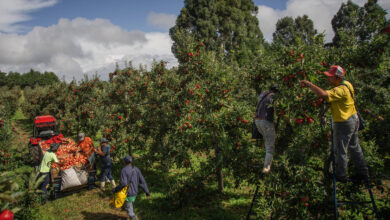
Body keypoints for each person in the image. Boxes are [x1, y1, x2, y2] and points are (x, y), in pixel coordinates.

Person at [300, 65, 369, 183]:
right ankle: (363, 172)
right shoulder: (347, 84)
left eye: (330, 77)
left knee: (341, 149)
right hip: (354, 118)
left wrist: (309, 84)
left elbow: (323, 94)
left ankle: (341, 175)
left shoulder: (340, 90)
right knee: (354, 146)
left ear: (338, 77)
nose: (328, 79)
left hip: (344, 122)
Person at [113, 156, 150, 220]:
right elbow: (142, 182)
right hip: (135, 193)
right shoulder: (136, 169)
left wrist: (115, 189)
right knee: (129, 207)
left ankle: (133, 218)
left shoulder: (124, 170)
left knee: (130, 211)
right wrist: (147, 192)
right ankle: (130, 217)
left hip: (128, 194)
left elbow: (124, 183)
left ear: (124, 162)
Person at [255, 85, 279, 173]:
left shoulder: (263, 94)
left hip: (257, 121)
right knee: (270, 146)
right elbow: (278, 109)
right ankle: (266, 167)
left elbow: (258, 101)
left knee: (267, 140)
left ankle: (266, 160)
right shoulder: (273, 96)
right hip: (266, 122)